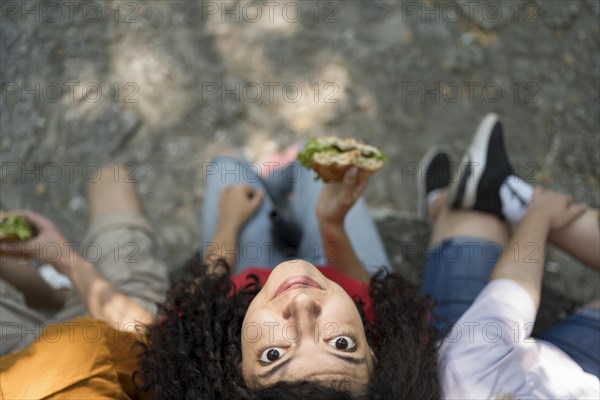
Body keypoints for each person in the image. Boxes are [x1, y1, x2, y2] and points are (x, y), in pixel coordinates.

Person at [1, 152, 440, 399]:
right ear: (378, 358)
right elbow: (366, 291)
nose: (302, 304)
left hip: (244, 270)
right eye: (342, 344)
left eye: (272, 357)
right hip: (332, 255)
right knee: (317, 167)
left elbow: (207, 284)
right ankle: (287, 176)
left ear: (234, 374)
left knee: (226, 170)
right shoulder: (397, 351)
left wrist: (229, 224)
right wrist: (331, 223)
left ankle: (271, 178)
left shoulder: (201, 343)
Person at [418, 113, 600, 399]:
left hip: (463, 360)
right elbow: (512, 293)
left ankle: (468, 197)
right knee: (474, 208)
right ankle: (501, 195)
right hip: (575, 377)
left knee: (474, 211)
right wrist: (538, 214)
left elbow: (507, 301)